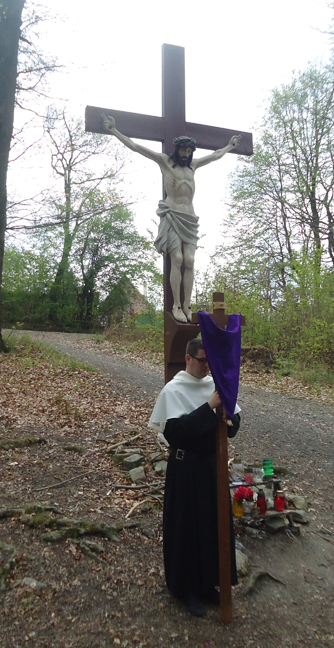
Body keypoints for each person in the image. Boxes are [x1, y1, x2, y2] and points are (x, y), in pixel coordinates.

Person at [102, 114, 240, 323]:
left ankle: (187, 305)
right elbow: (136, 147)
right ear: (177, 149)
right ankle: (176, 305)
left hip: (189, 218)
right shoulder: (164, 162)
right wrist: (114, 130)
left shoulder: (193, 166)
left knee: (190, 260)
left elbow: (215, 155)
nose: (186, 154)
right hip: (173, 215)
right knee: (177, 259)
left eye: (189, 151)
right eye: (183, 150)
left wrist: (229, 146)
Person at [148, 337, 241, 617]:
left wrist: (228, 413)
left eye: (209, 361)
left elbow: (233, 427)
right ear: (188, 358)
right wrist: (209, 407)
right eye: (202, 360)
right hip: (185, 468)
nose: (207, 366)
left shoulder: (216, 385)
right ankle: (186, 589)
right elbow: (176, 433)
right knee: (186, 527)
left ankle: (209, 583)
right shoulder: (173, 390)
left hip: (212, 467)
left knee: (213, 525)